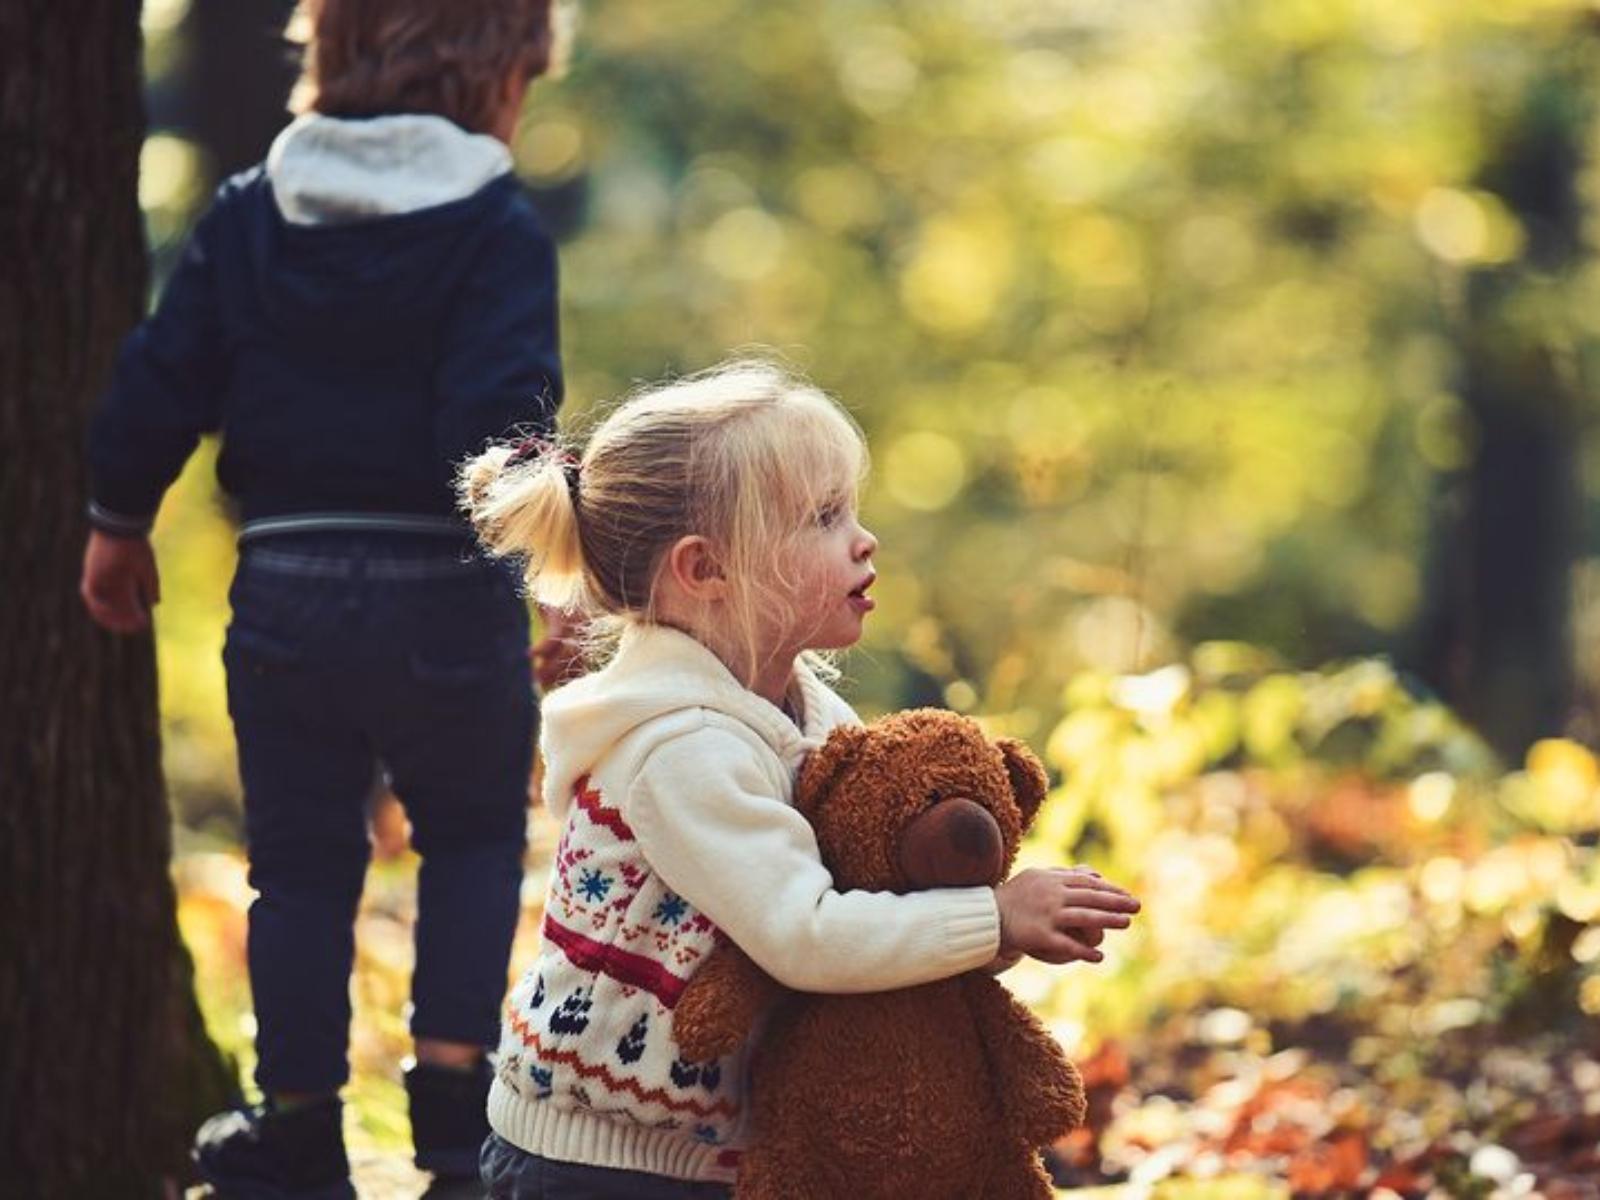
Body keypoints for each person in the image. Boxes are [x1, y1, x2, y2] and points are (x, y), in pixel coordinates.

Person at [78, 1, 572, 1194]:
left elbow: (162, 374)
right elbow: (498, 422)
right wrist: (559, 572)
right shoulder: (495, 222)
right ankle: (456, 1130)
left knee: (297, 866)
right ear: (498, 71)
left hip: (290, 584)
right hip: (447, 590)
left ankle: (295, 1127)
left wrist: (115, 518)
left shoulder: (254, 209)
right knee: (468, 842)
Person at [460, 359, 1141, 1199]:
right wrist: (991, 913)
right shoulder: (681, 750)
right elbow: (807, 936)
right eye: (822, 517)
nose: (864, 538)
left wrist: (993, 935)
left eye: (850, 508)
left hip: (715, 1150)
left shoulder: (813, 719)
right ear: (705, 570)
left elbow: (871, 914)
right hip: (603, 1163)